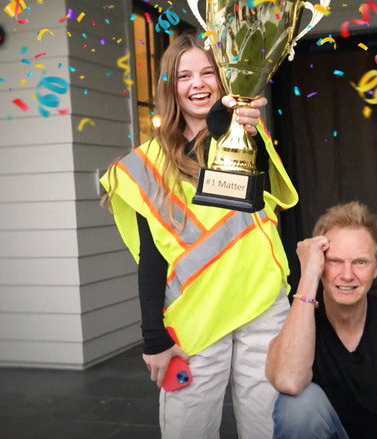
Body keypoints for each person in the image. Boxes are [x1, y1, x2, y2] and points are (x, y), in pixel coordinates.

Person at [100, 34, 298, 438]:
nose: (198, 84)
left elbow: (263, 188)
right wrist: (153, 338)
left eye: (208, 72)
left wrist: (236, 125)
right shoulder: (146, 164)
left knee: (267, 425)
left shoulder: (246, 134)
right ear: (170, 87)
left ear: (223, 80)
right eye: (184, 75)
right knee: (187, 427)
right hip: (195, 313)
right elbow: (152, 257)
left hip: (261, 301)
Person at [265, 202, 377, 439]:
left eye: (360, 262)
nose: (347, 275)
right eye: (334, 261)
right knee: (298, 406)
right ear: (320, 264)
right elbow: (288, 380)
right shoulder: (299, 317)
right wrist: (308, 275)